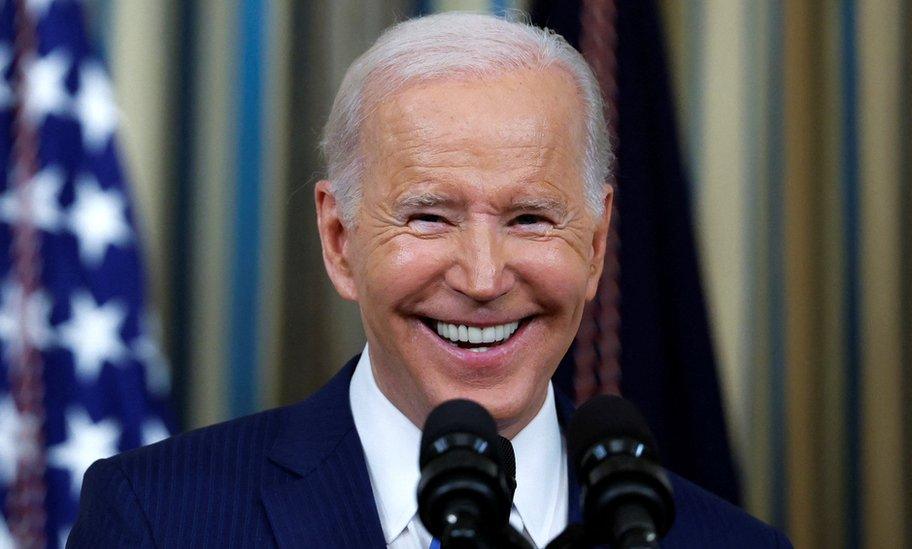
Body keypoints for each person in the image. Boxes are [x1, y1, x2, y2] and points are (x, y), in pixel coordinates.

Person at [69, 12, 790, 548]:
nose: (482, 277)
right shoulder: (156, 518)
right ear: (340, 240)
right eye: (429, 217)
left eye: (532, 218)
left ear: (597, 242)